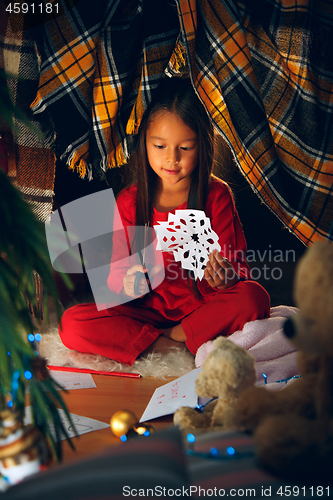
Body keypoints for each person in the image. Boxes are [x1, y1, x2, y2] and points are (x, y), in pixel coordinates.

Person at [59, 78, 270, 366]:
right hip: (144, 311)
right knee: (72, 322)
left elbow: (238, 270)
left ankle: (166, 339)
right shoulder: (129, 201)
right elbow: (114, 278)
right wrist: (129, 282)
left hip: (200, 309)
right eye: (159, 146)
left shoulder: (216, 195)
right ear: (144, 142)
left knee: (254, 297)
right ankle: (178, 346)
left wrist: (226, 278)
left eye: (185, 147)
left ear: (203, 145)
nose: (171, 159)